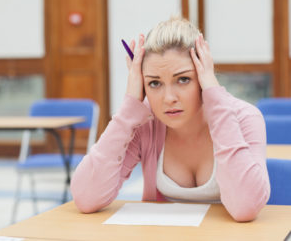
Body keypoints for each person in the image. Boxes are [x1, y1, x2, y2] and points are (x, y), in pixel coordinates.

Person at [71, 16, 270, 222]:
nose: (169, 99)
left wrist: (215, 98)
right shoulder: (145, 123)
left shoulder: (245, 118)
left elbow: (245, 208)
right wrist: (129, 109)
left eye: (183, 80)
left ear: (203, 75)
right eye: (155, 83)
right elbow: (86, 198)